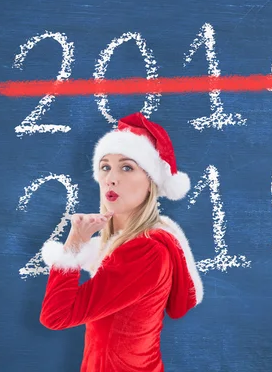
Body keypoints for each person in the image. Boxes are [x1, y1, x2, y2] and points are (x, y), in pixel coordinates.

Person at [39, 112, 205, 372]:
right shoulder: (132, 244)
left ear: (151, 183)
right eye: (105, 167)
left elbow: (56, 316)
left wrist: (74, 245)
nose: (110, 178)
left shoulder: (144, 251)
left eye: (127, 167)